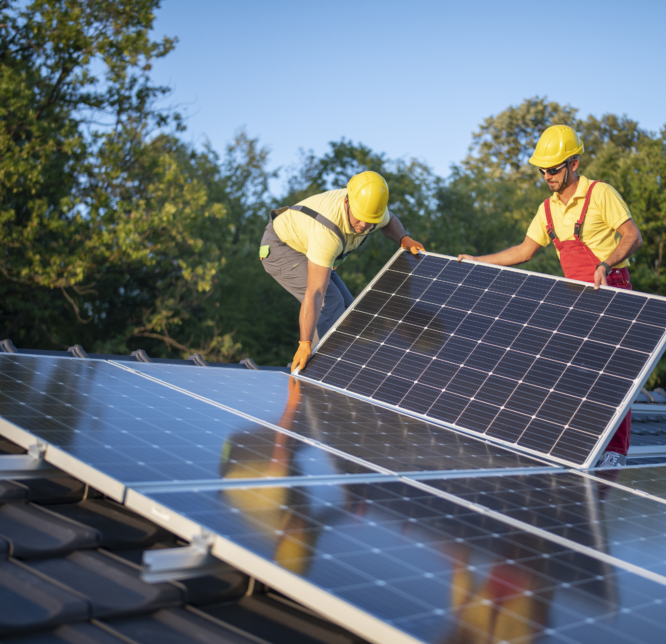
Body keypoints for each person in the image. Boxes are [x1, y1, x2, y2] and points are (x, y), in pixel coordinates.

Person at [458, 125, 643, 467]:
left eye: (554, 169)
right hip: (575, 298)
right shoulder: (547, 210)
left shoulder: (600, 194)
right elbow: (525, 250)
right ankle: (577, 445)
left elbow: (633, 236)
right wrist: (477, 261)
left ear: (574, 163)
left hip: (612, 291)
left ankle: (614, 454)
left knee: (611, 378)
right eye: (542, 170)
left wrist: (605, 263)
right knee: (571, 374)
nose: (547, 176)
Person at [260, 171, 425, 374]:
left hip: (306, 247)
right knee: (331, 302)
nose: (364, 226)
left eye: (370, 220)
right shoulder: (326, 232)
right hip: (281, 247)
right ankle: (319, 371)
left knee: (349, 311)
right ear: (347, 202)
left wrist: (403, 239)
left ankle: (346, 366)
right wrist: (305, 343)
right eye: (361, 218)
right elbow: (315, 294)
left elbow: (388, 220)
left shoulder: (370, 210)